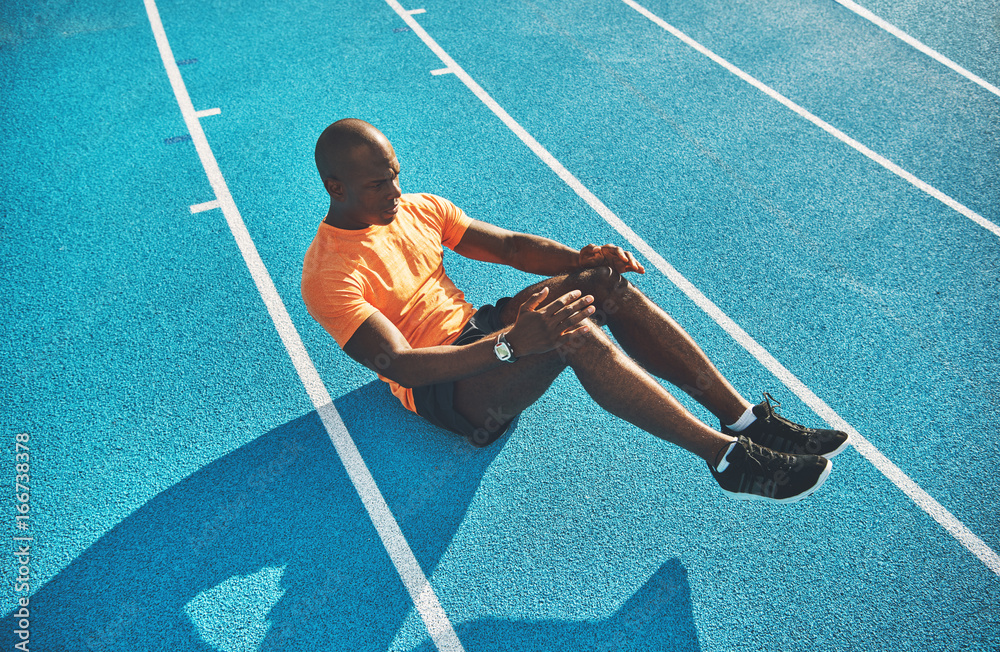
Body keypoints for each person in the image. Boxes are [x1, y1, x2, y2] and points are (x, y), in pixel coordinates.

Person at [301, 118, 849, 503]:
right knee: (573, 334)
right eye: (379, 184)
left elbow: (511, 248)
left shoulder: (416, 209)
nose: (396, 189)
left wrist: (582, 258)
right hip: (444, 388)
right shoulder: (328, 275)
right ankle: (728, 459)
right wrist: (514, 344)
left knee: (603, 285)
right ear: (336, 187)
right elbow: (398, 364)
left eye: (396, 173)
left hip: (482, 331)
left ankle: (747, 420)